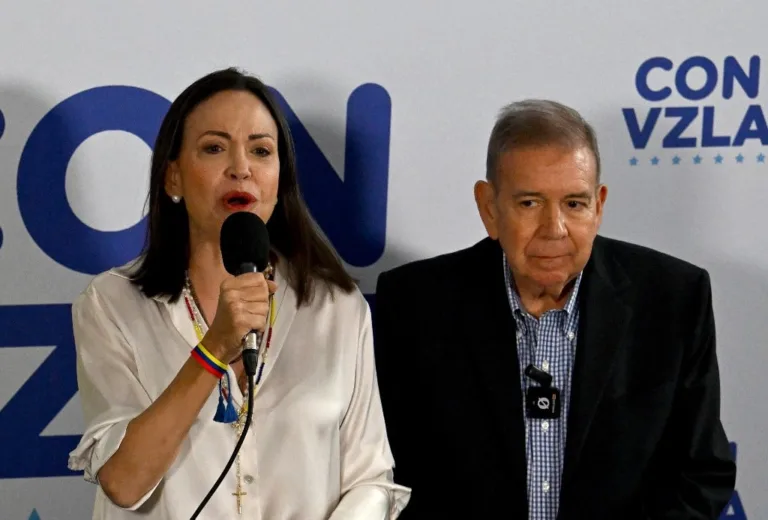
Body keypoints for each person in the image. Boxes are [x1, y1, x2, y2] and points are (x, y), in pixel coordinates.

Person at [67, 67, 410, 520]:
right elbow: (123, 482)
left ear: (279, 177)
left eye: (261, 151)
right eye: (214, 148)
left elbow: (370, 480)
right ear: (172, 178)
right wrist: (212, 351)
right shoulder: (112, 304)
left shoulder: (336, 309)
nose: (241, 169)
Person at [373, 99, 736, 519]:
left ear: (598, 206)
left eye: (574, 204)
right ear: (489, 208)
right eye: (530, 203)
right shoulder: (417, 304)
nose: (554, 229)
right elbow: (391, 474)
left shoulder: (673, 299)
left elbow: (701, 473)